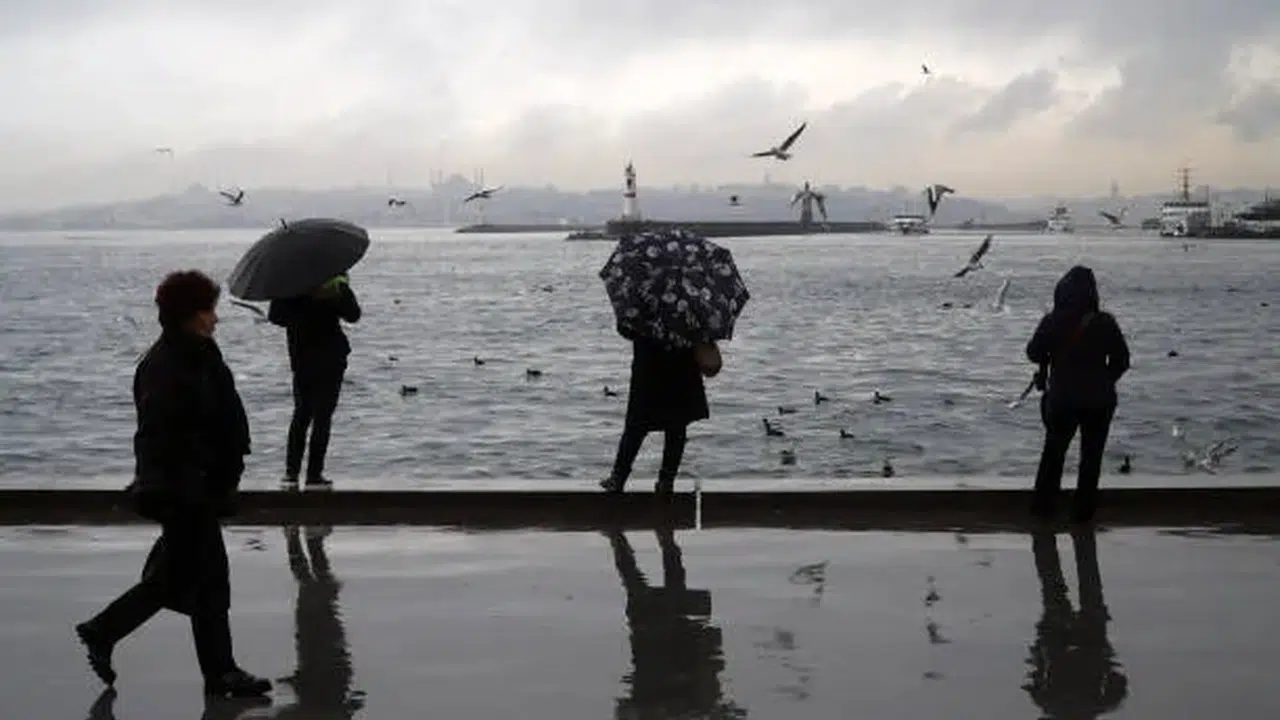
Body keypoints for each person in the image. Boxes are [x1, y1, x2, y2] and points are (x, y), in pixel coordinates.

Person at [75, 270, 271, 698]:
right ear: (190, 314)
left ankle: (219, 672)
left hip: (196, 486)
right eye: (209, 310)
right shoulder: (170, 365)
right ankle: (104, 630)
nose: (215, 318)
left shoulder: (193, 355)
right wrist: (197, 480)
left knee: (202, 579)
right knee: (187, 578)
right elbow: (166, 435)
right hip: (184, 489)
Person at [1026, 265, 1130, 522]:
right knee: (1091, 458)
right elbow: (1122, 360)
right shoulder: (1105, 322)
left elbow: (1033, 353)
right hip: (1099, 401)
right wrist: (1104, 380)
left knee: (1053, 454)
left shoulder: (1052, 321)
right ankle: (1082, 514)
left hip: (1062, 399)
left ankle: (1043, 510)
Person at [268, 273, 361, 488]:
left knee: (302, 413)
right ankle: (313, 475)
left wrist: (300, 304)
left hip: (301, 355)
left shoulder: (289, 283)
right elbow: (353, 314)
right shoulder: (333, 279)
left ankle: (291, 474)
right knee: (321, 416)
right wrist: (331, 296)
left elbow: (276, 317)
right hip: (329, 356)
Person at [600, 336, 710, 496]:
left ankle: (618, 478)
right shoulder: (686, 319)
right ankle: (666, 480)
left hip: (649, 362)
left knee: (636, 424)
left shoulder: (644, 320)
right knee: (676, 425)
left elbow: (626, 328)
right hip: (682, 362)